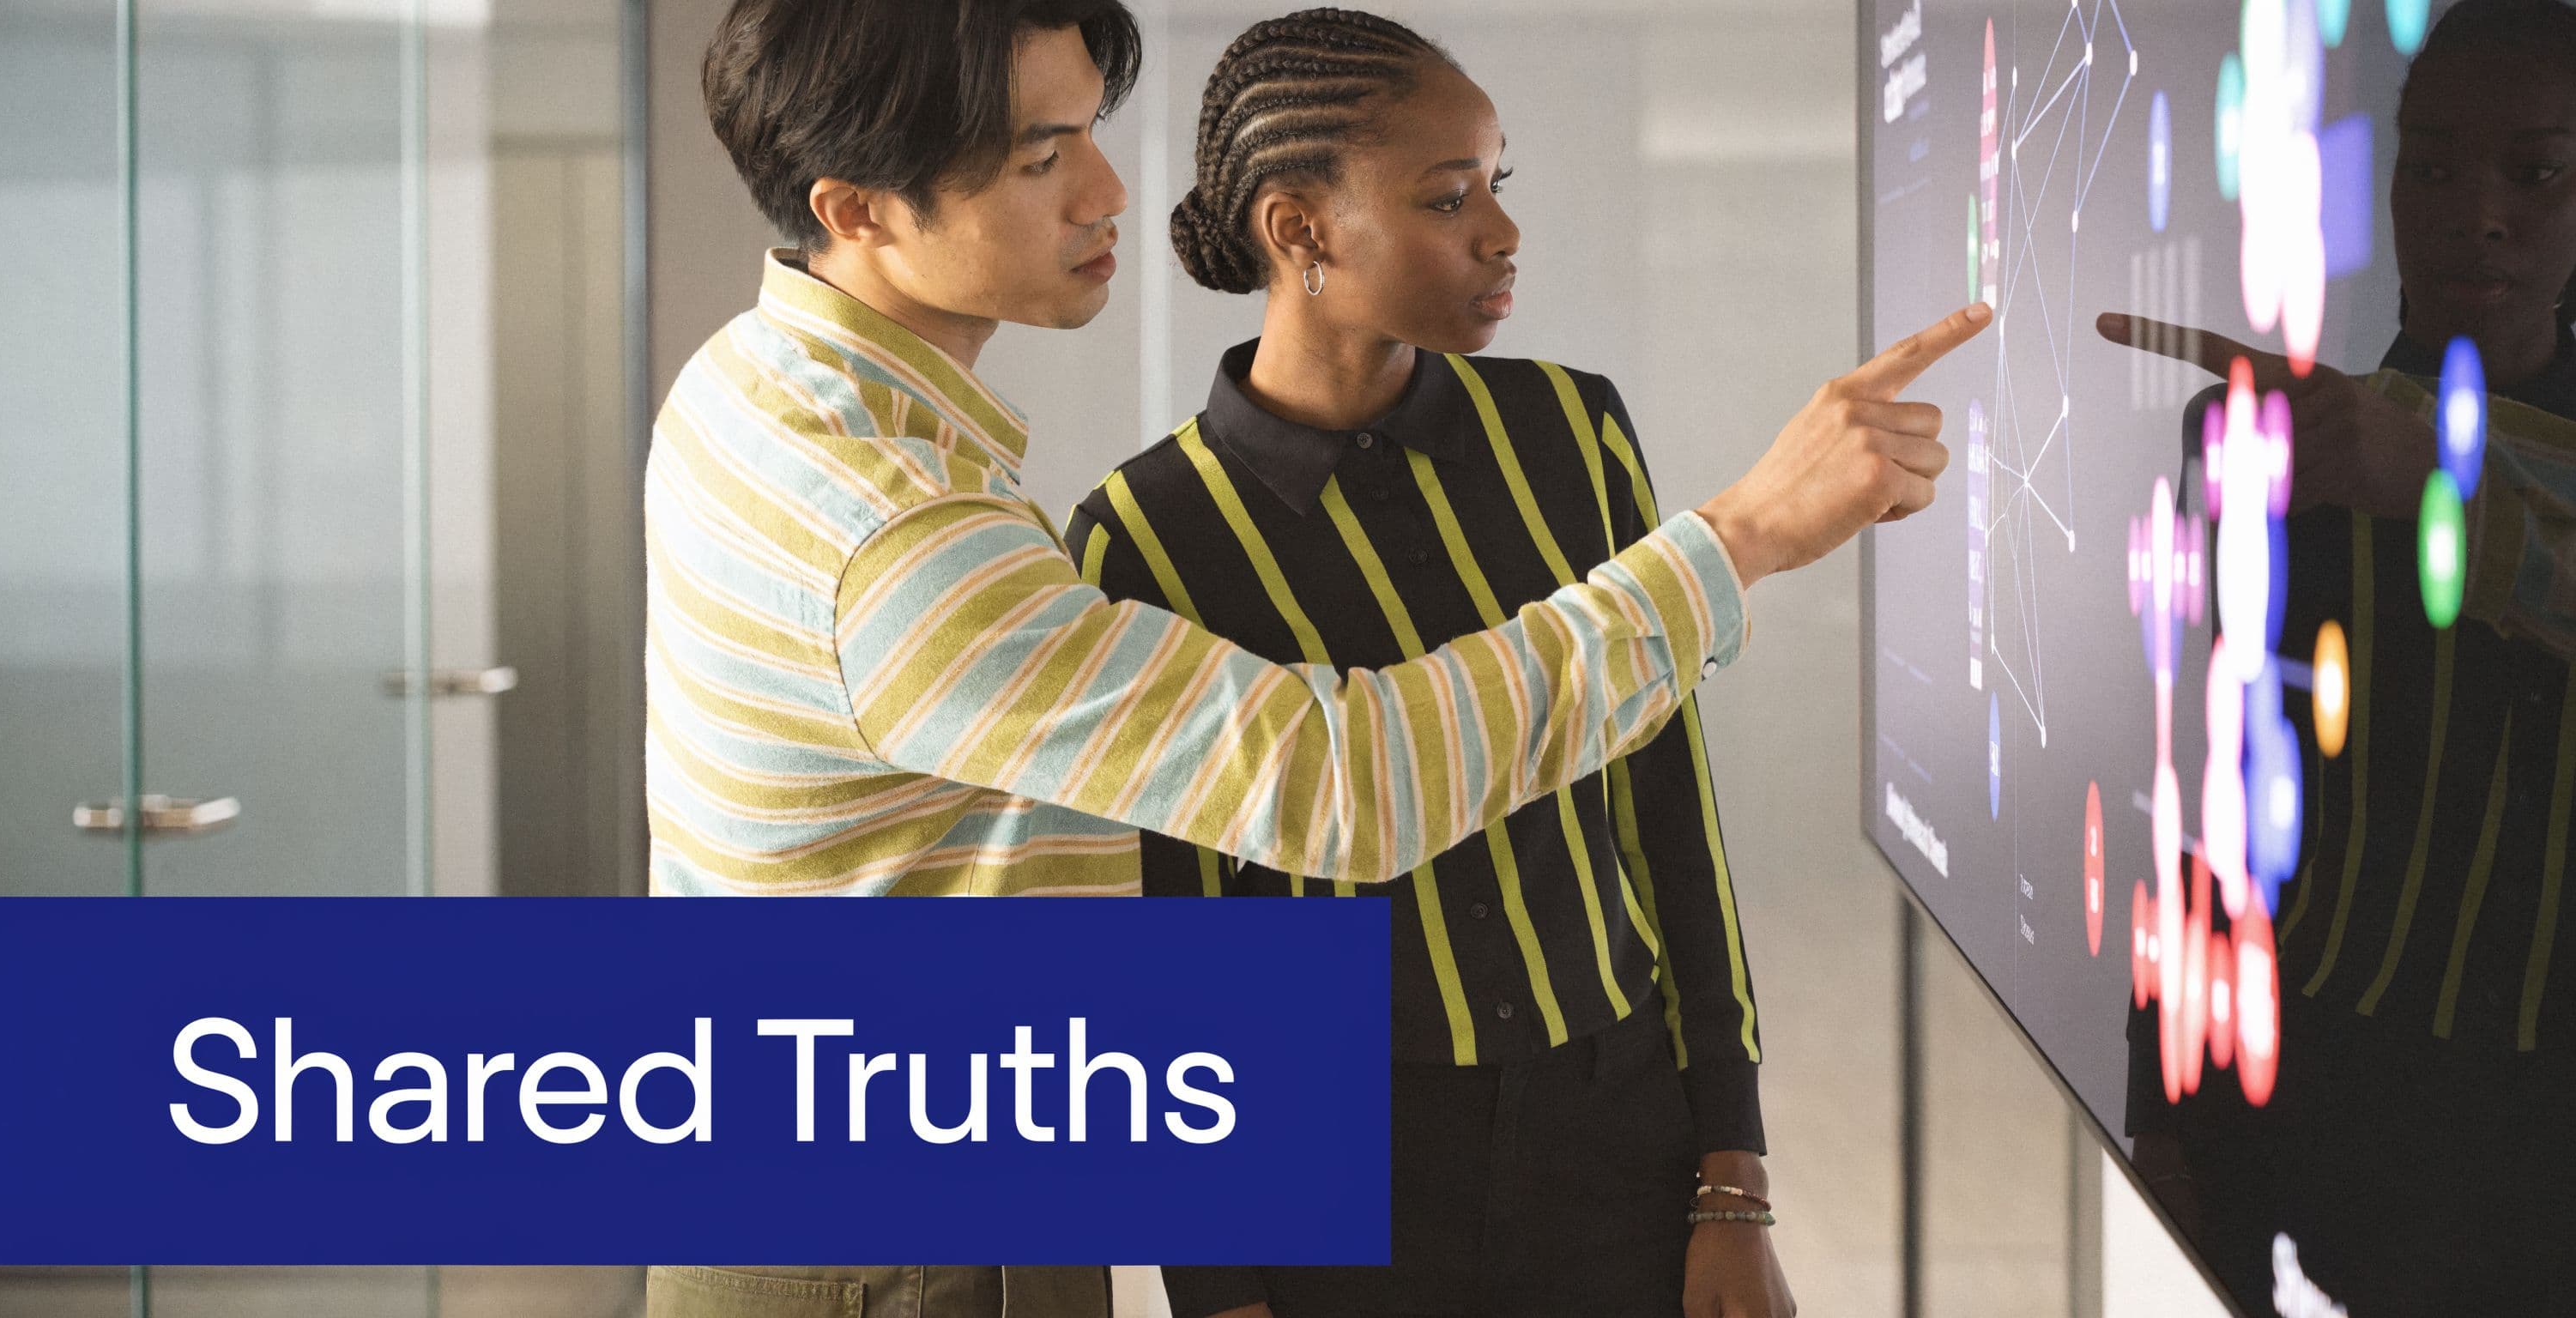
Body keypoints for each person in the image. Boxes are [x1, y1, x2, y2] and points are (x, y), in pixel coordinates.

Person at [645, 2, 1986, 1314]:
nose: (1108, 187)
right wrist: (1743, 536)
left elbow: (1665, 812)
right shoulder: (912, 535)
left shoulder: (748, 384)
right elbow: (1348, 785)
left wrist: (1726, 1169)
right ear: (857, 210)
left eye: (1087, 133)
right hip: (915, 1248)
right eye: (1040, 157)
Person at [1062, 12, 1791, 1317]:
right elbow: (1175, 947)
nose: (1501, 234)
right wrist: (1216, 1286)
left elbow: (1669, 804)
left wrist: (1731, 1176)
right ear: (1299, 231)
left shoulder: (1574, 430)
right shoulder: (1143, 532)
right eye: (1449, 198)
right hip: (1335, 1179)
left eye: (1496, 186)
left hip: (1617, 1131)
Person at [2100, 2, 2576, 1306]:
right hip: (2297, 1109)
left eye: (2535, 173)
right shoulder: (2269, 443)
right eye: (2433, 165)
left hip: (2542, 1161)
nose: (2478, 212)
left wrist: (2420, 473)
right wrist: (2168, 1103)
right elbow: (2213, 790)